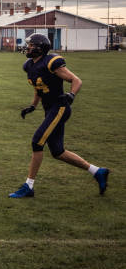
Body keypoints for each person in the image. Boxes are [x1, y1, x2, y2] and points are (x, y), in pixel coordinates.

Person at [9, 33, 110, 198]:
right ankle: (97, 171)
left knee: (37, 142)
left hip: (60, 107)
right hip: (50, 109)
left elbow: (76, 80)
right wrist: (33, 106)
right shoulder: (29, 65)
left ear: (40, 47)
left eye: (31, 45)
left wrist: (71, 95)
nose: (27, 47)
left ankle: (29, 186)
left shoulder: (51, 62)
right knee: (58, 151)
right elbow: (38, 88)